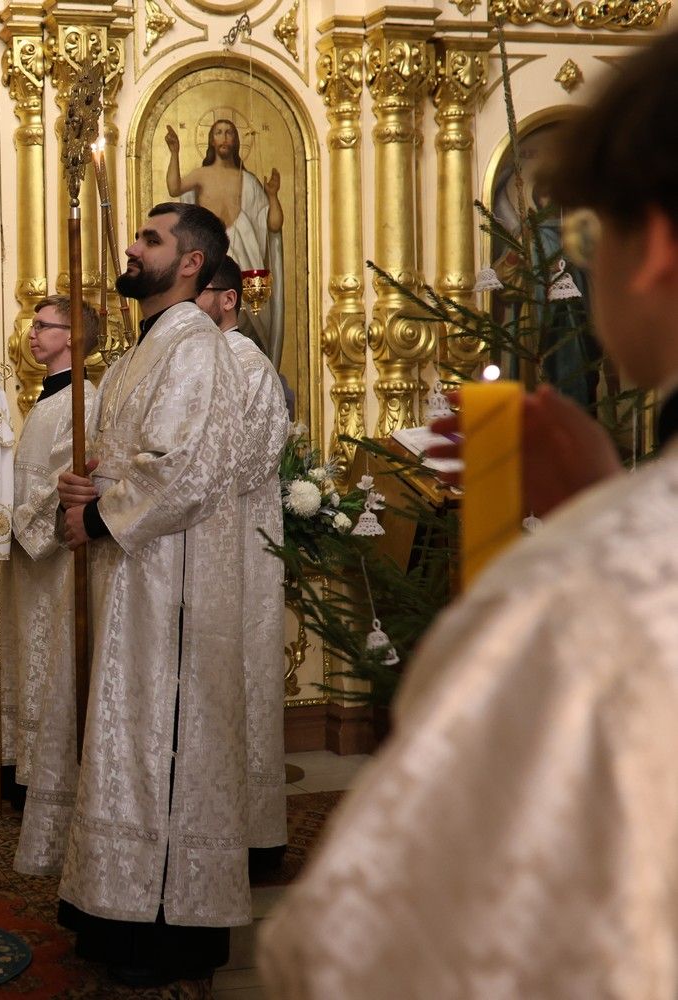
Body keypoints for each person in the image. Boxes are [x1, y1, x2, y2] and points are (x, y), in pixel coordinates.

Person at [259, 32, 678, 998]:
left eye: (589, 238)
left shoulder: (590, 595)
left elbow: (348, 954)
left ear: (652, 246)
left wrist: (596, 534)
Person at [55, 202, 250, 995]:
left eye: (151, 239)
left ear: (192, 263)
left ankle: (167, 930)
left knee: (163, 741)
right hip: (134, 577)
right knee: (128, 736)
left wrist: (99, 515)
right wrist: (86, 487)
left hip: (174, 584)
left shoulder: (195, 347)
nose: (133, 249)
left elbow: (181, 471)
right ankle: (117, 906)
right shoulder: (143, 349)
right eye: (137, 236)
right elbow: (126, 458)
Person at [0, 294, 96, 867]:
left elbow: (65, 481)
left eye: (44, 326)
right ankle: (24, 766)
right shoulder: (46, 398)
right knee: (26, 655)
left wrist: (14, 523)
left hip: (52, 562)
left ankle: (46, 775)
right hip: (26, 559)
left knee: (48, 661)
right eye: (33, 324)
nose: (32, 333)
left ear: (72, 336)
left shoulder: (83, 399)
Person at [198, 256, 291, 874]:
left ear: (228, 299)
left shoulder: (245, 364)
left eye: (199, 292)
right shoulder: (204, 359)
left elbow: (246, 461)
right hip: (208, 539)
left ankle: (252, 833)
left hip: (238, 544)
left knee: (244, 672)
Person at [166, 119, 285, 367]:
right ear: (211, 140)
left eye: (229, 132)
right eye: (219, 132)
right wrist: (175, 152)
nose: (224, 137)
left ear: (236, 140)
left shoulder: (248, 181)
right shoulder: (202, 175)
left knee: (245, 328)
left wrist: (273, 196)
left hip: (244, 262)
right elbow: (174, 187)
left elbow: (273, 225)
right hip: (210, 260)